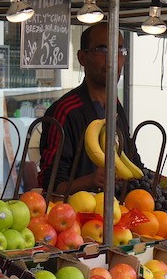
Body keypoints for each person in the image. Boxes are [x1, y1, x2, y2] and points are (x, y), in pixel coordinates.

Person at [38, 23, 145, 194]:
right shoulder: (65, 112)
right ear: (82, 58)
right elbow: (50, 184)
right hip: (76, 216)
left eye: (119, 51)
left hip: (119, 213)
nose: (113, 59)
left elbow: (135, 166)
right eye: (103, 50)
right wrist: (91, 181)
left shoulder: (116, 108)